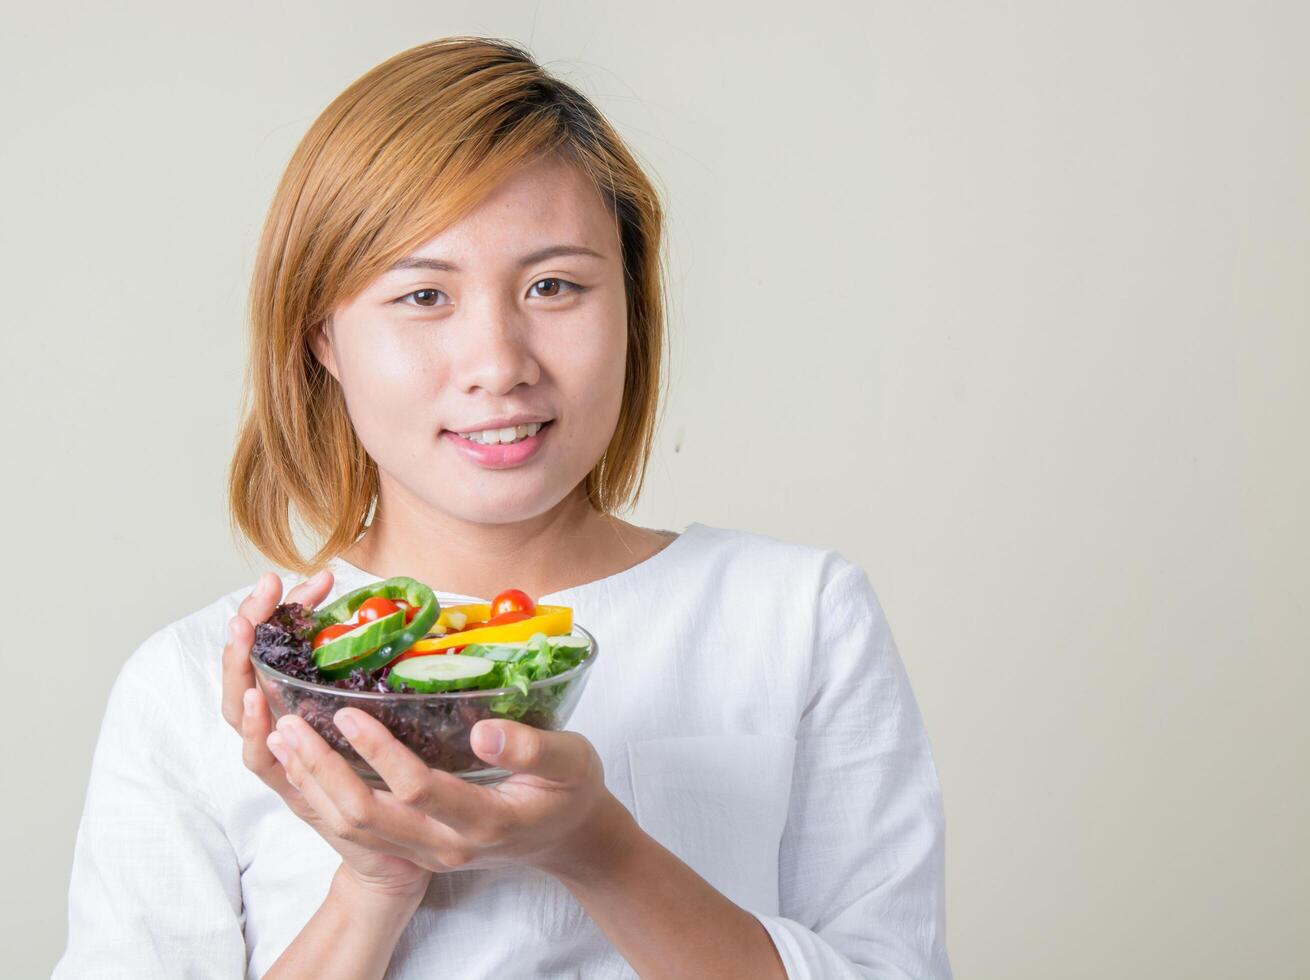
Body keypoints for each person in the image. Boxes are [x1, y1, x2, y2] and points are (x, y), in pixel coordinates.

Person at [54, 35, 951, 979]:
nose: (499, 363)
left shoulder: (799, 616)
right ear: (323, 335)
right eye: (425, 294)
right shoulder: (194, 686)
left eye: (553, 286)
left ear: (633, 308)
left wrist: (597, 848)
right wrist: (374, 883)